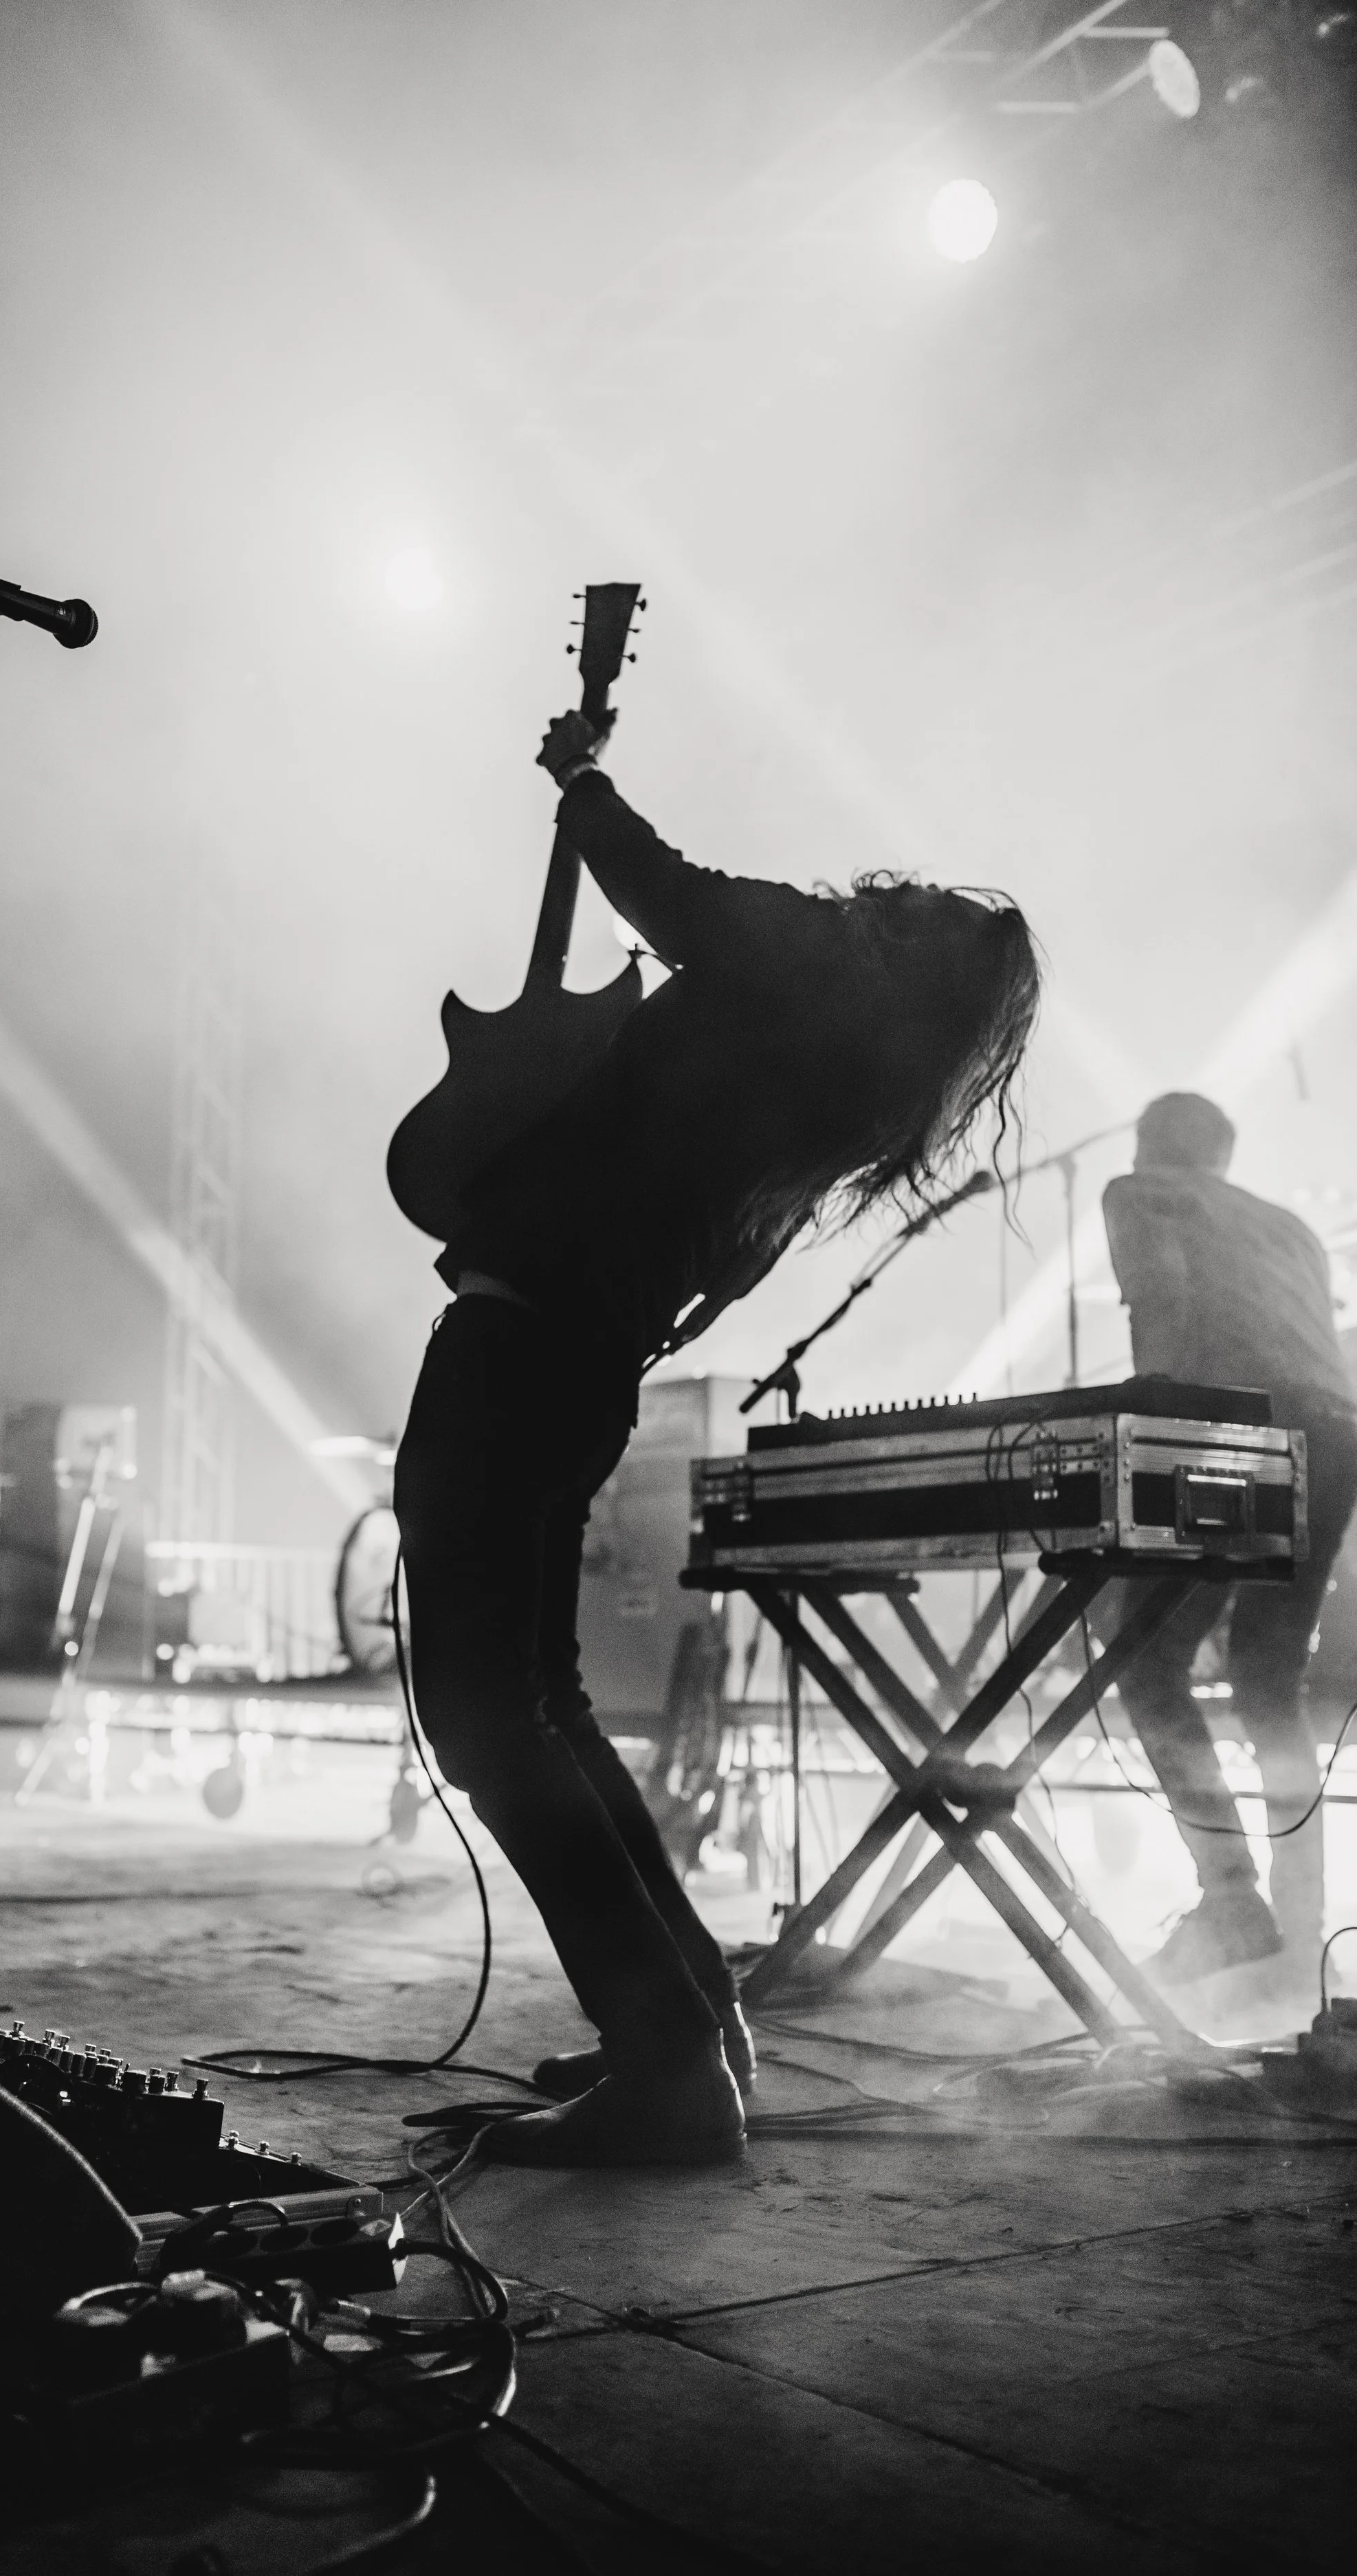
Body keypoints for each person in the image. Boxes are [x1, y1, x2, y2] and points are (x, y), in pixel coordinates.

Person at [393, 711, 1041, 2168]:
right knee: (541, 1702)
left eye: (911, 903)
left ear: (902, 946)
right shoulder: (847, 1087)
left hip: (521, 1346)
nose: (884, 891)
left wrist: (578, 778)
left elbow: (667, 890)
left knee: (488, 1715)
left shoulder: (808, 968)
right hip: (580, 1356)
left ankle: (671, 2062)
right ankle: (689, 2015)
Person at [1102, 1093, 1357, 1984]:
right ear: (1223, 1152)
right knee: (1268, 1678)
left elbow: (1161, 1305)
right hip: (1336, 1435)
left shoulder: (1139, 1193)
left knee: (1148, 1664)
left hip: (1236, 1429)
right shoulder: (1290, 1225)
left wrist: (1140, 1431)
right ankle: (1302, 1929)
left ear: (1147, 1144)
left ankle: (1231, 1902)